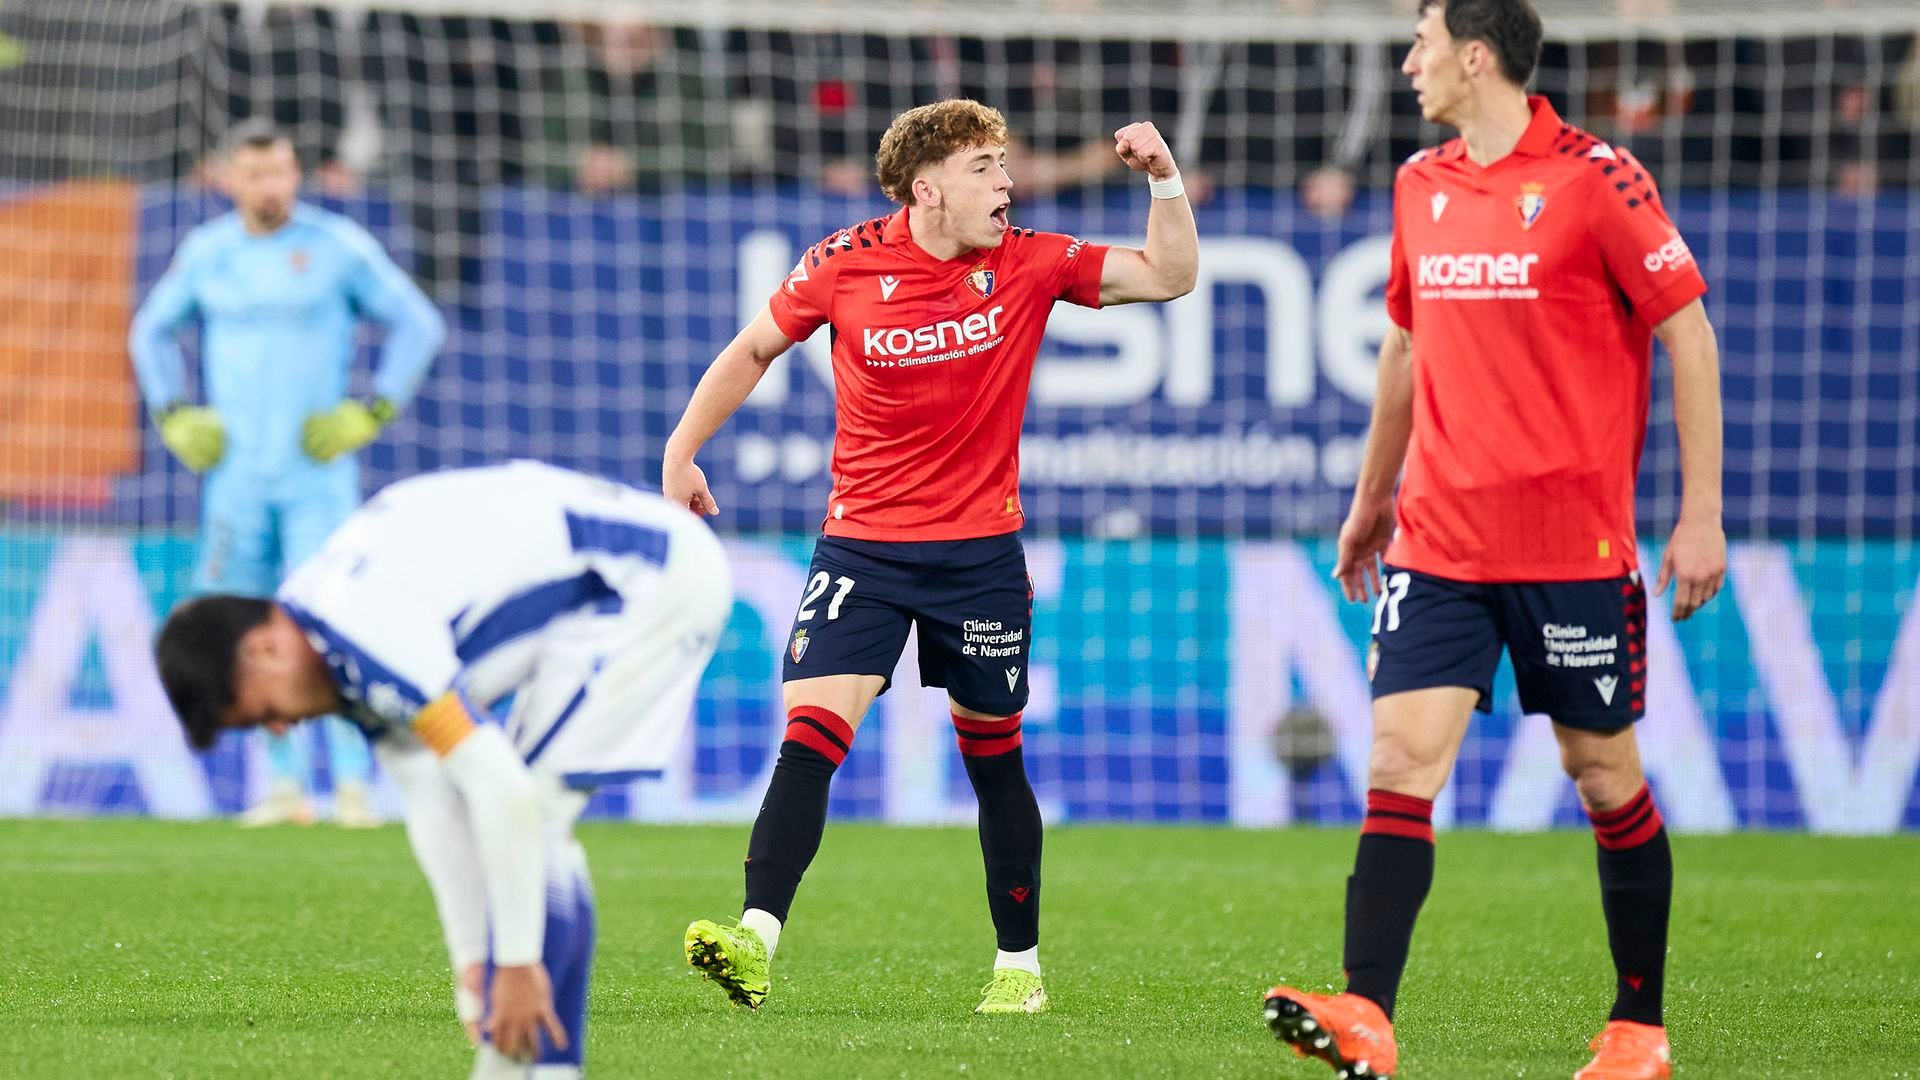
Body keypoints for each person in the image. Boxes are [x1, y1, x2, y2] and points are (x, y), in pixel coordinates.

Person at [1258, 3, 1724, 1079]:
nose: (1408, 64)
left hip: (1570, 549)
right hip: (1439, 543)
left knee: (1601, 774)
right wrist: (1372, 498)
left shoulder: (1598, 180)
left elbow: (1688, 332)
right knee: (1399, 759)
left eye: (1421, 44)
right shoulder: (1419, 183)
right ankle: (1366, 1014)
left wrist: (1700, 513)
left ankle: (1638, 1030)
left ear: (1475, 57)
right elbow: (1406, 348)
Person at [663, 98, 1197, 1015]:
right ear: (927, 189)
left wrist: (1165, 180)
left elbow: (1169, 274)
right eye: (984, 167)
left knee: (992, 755)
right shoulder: (842, 263)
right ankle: (754, 939)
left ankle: (1019, 970)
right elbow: (753, 349)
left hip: (979, 557)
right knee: (809, 735)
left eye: (1004, 164)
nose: (1007, 183)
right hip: (862, 549)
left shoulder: (1030, 261)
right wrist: (682, 451)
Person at [152, 461, 733, 1079]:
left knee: (532, 819)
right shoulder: (333, 642)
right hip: (614, 581)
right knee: (535, 834)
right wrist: (472, 960)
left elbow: (503, 791)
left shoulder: (361, 630)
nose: (277, 728)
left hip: (647, 584)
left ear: (263, 649)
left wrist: (514, 964)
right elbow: (428, 794)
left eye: (261, 712)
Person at [130, 119, 444, 828]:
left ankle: (356, 787)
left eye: (280, 172)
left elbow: (419, 323)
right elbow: (149, 330)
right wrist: (173, 411)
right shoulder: (208, 253)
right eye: (255, 174)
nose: (269, 186)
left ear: (295, 173)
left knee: (331, 622)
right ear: (228, 179)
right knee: (241, 628)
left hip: (315, 476)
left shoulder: (336, 246)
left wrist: (372, 409)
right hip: (235, 478)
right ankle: (283, 787)